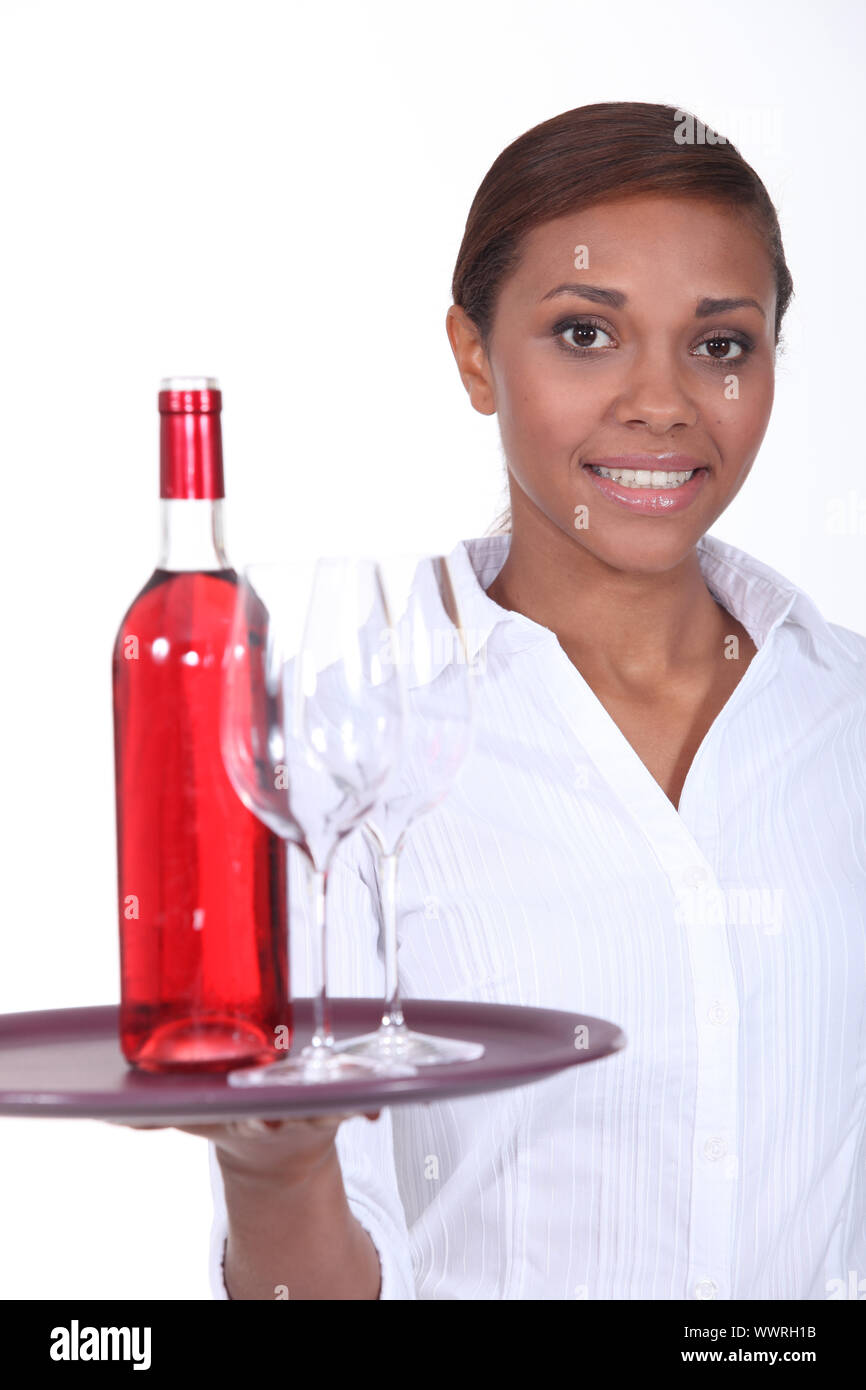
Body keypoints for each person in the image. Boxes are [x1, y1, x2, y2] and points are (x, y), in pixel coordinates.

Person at [137, 101, 866, 1300]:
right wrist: (274, 1174)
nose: (661, 401)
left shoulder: (845, 720)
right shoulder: (333, 753)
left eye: (719, 343)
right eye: (585, 333)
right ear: (474, 357)